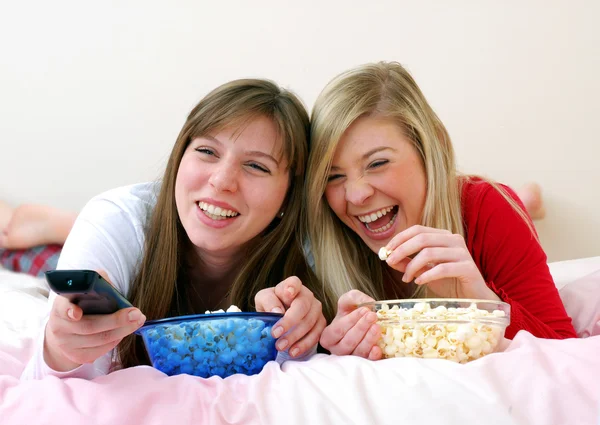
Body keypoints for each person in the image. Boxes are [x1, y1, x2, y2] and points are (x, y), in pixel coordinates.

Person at [21, 78, 329, 380]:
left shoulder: (314, 252)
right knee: (26, 252)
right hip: (124, 231)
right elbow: (44, 386)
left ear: (290, 194)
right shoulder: (117, 220)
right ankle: (42, 223)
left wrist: (296, 338)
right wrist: (61, 351)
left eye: (256, 166)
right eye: (207, 151)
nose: (222, 180)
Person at [304, 61, 576, 361]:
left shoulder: (489, 206)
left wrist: (480, 301)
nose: (356, 195)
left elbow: (568, 353)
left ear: (429, 149)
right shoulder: (322, 232)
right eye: (333, 176)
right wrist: (330, 349)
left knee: (509, 202)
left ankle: (526, 201)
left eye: (378, 163)